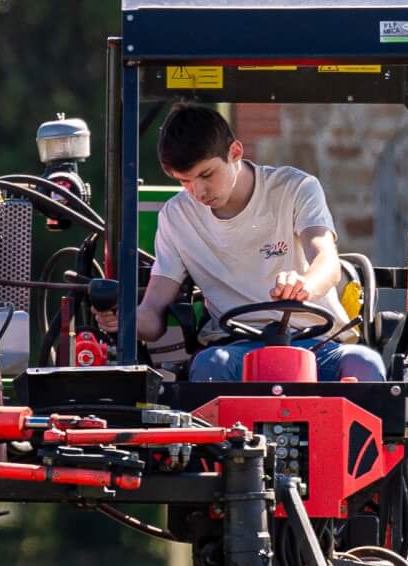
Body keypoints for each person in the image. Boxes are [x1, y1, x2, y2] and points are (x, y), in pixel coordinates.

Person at [127, 105, 384, 382]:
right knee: (209, 367)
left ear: (235, 152)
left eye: (206, 175)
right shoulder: (176, 217)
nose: (198, 192)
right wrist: (125, 318)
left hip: (318, 343)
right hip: (234, 349)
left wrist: (305, 285)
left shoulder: (295, 188)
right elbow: (153, 314)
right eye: (185, 182)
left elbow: (327, 261)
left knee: (364, 364)